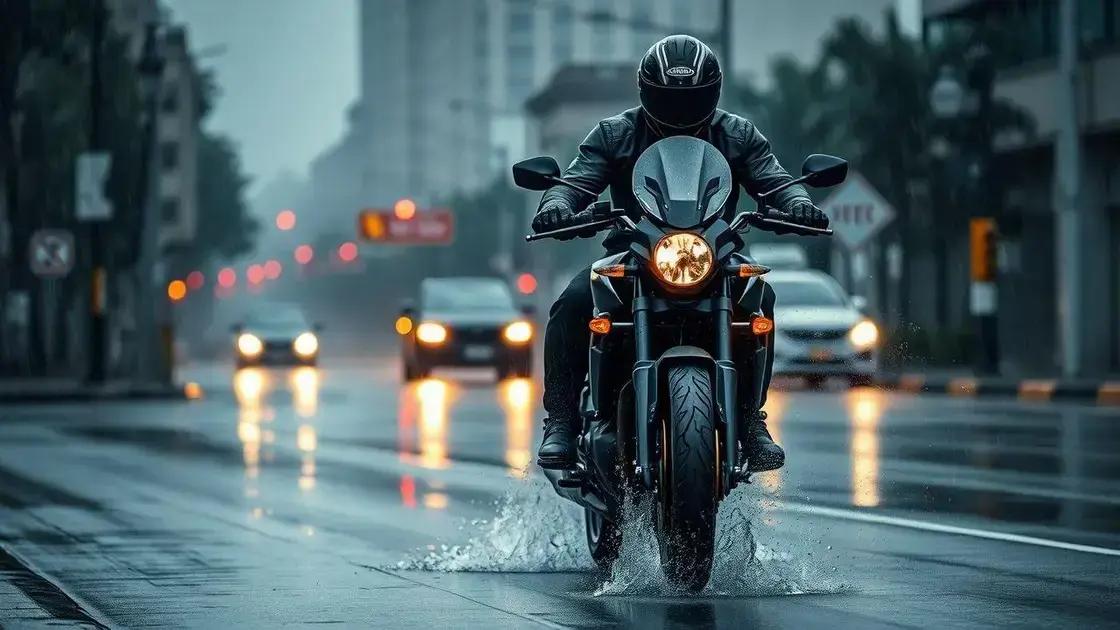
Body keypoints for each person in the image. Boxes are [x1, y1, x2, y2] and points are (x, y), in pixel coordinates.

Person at [532, 35, 829, 472]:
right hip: (634, 256)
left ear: (712, 92)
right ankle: (560, 420)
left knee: (759, 296)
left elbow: (775, 177)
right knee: (575, 300)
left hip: (713, 255)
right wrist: (556, 207)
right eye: (669, 99)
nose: (680, 109)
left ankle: (749, 418)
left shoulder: (737, 134)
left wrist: (798, 202)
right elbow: (577, 180)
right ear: (647, 92)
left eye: (691, 99)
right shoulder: (616, 133)